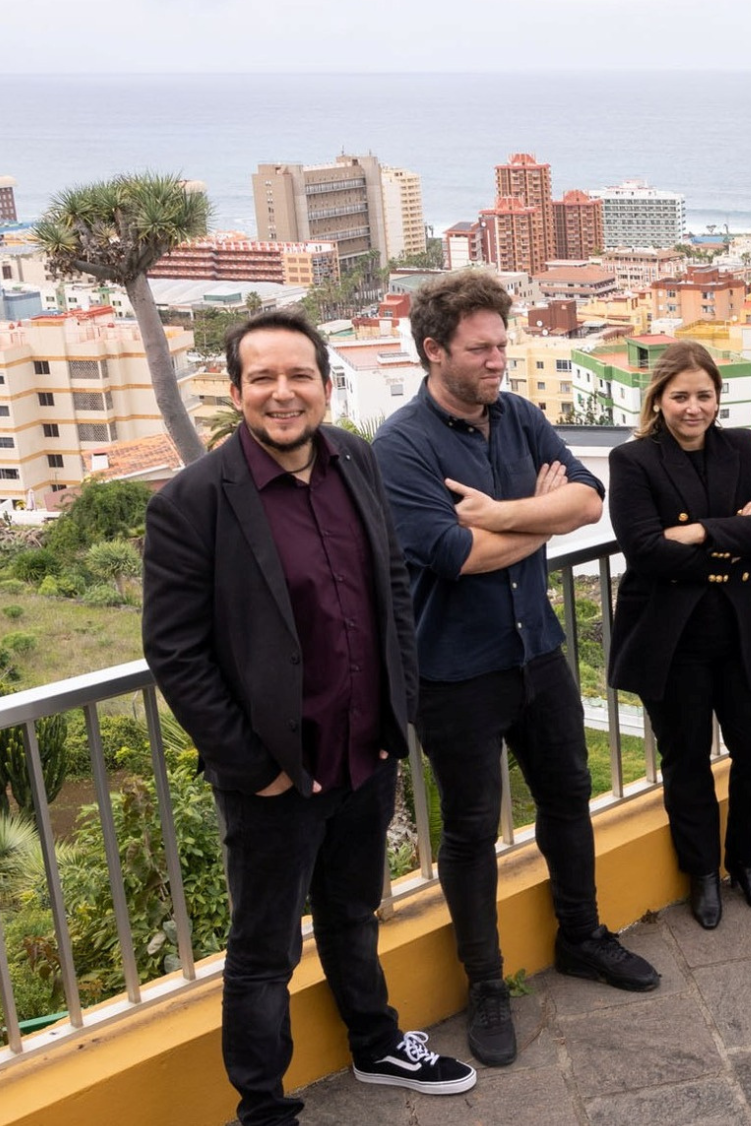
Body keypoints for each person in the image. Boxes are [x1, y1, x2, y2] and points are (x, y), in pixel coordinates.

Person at [142, 311, 476, 1126]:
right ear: (236, 392)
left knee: (354, 912)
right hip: (277, 774)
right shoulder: (193, 502)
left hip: (365, 749)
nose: (283, 394)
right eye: (263, 378)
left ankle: (376, 1042)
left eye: (299, 376)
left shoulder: (354, 459)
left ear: (325, 386)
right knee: (264, 952)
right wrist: (252, 767)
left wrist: (402, 708)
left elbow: (391, 587)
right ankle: (262, 1106)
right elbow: (175, 652)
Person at [374, 270, 658, 1069]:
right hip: (457, 671)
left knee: (569, 798)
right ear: (434, 351)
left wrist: (502, 515)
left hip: (538, 650)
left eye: (503, 343)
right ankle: (487, 985)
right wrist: (542, 519)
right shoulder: (401, 445)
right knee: (469, 830)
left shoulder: (521, 415)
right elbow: (452, 554)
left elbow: (588, 501)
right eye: (480, 347)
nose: (498, 359)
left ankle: (582, 936)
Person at [608, 342, 751, 929]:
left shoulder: (744, 445)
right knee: (686, 761)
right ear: (658, 399)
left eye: (704, 395)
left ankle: (747, 863)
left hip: (743, 631)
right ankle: (703, 875)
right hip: (673, 640)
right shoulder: (633, 460)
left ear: (718, 396)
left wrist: (696, 533)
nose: (693, 407)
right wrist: (737, 531)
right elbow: (644, 550)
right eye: (680, 396)